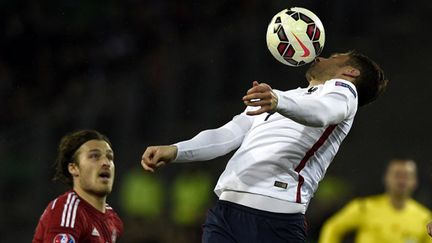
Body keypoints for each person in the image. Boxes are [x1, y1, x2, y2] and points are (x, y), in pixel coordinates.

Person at [141, 51, 388, 243]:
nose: (321, 57)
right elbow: (227, 134)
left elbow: (322, 113)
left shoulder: (343, 93)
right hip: (225, 212)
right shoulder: (282, 97)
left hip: (274, 218)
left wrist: (279, 101)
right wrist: (176, 150)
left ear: (350, 72)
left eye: (334, 57)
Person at [33, 130, 123, 243]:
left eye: (110, 157)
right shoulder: (67, 210)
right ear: (73, 168)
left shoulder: (113, 220)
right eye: (94, 156)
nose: (106, 162)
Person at [319, 159, 432, 243]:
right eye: (397, 175)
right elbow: (332, 227)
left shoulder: (425, 217)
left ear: (415, 181)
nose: (401, 181)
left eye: (406, 176)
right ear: (386, 178)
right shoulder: (365, 207)